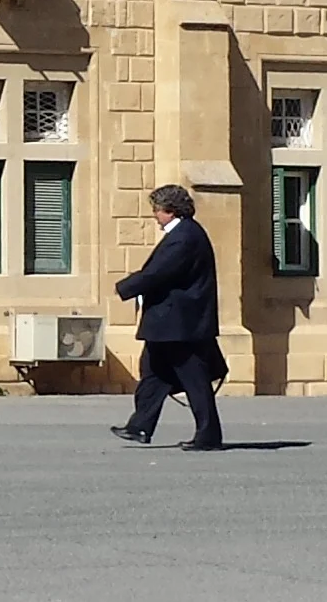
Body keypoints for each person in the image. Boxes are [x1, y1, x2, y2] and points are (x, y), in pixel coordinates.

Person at [110, 183, 225, 451]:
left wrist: (126, 287)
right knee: (153, 372)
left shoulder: (185, 236)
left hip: (180, 325)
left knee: (195, 380)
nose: (155, 215)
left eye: (157, 210)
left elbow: (160, 272)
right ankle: (140, 426)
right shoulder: (183, 234)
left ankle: (208, 435)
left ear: (170, 211)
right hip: (168, 324)